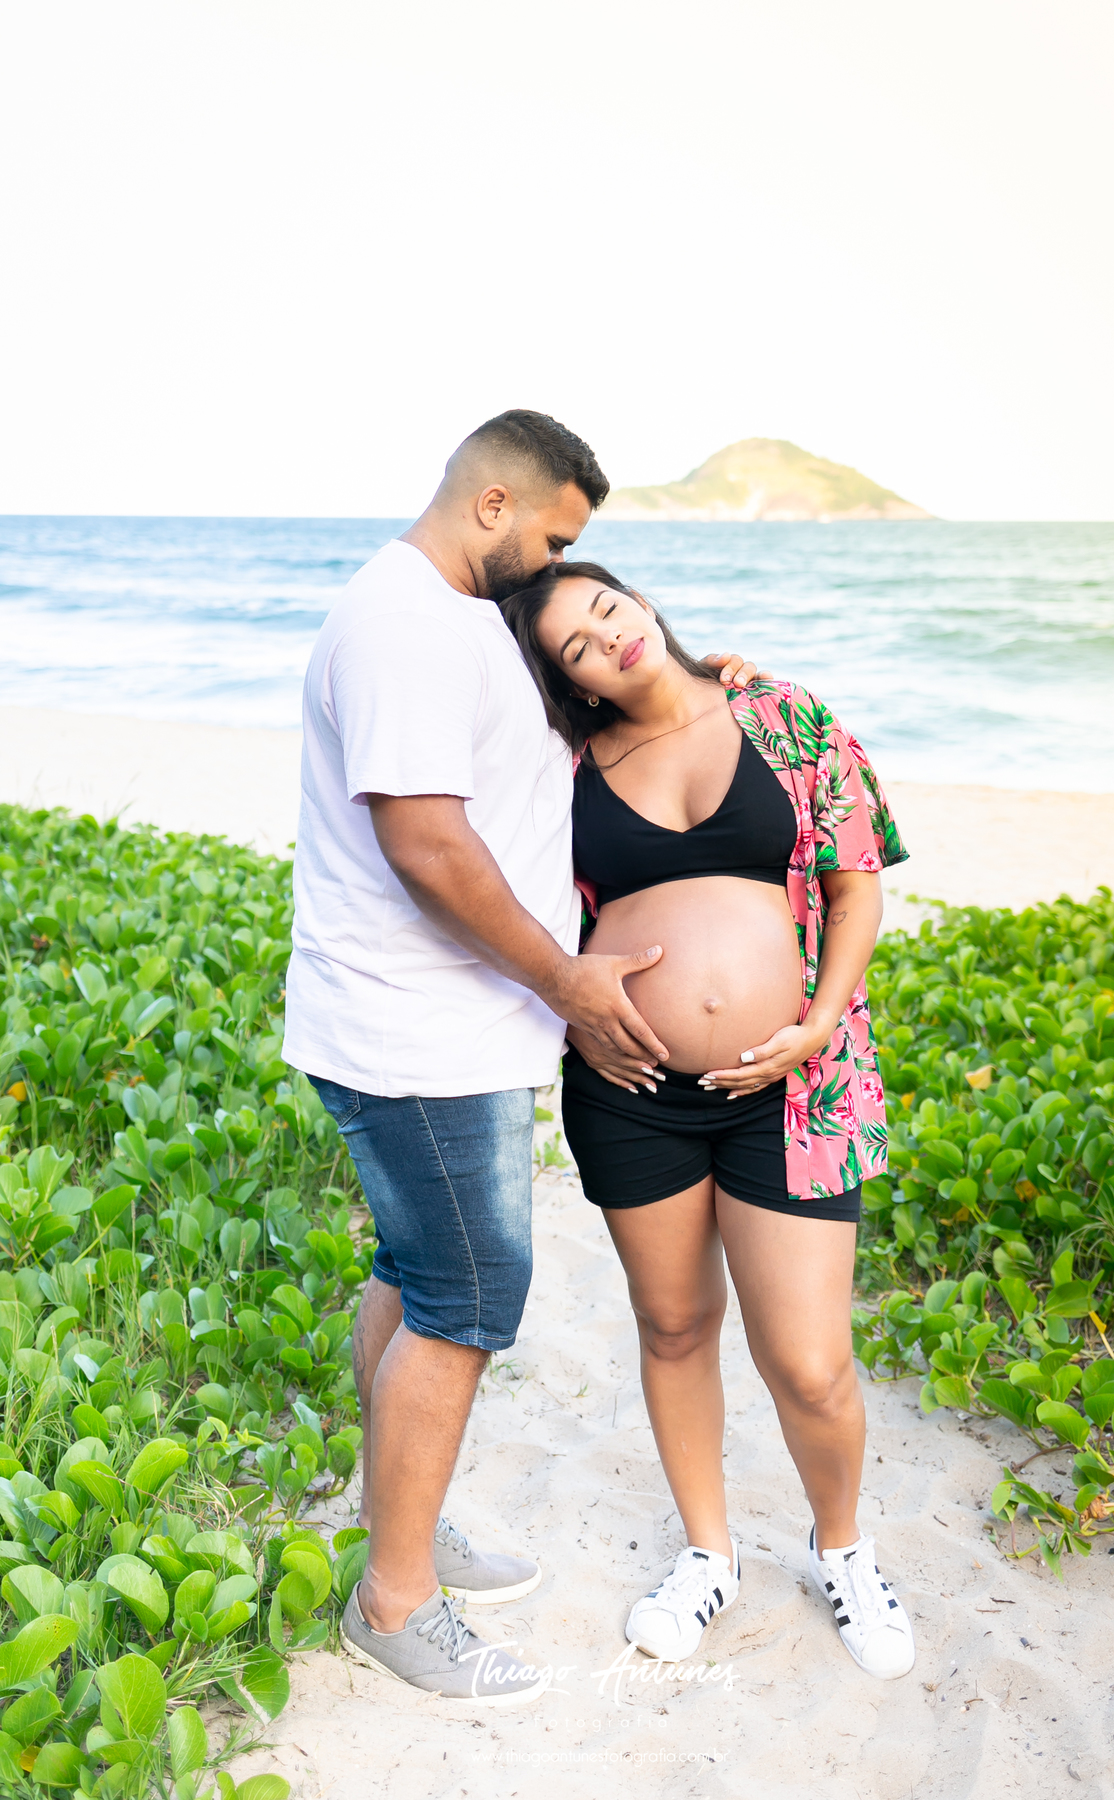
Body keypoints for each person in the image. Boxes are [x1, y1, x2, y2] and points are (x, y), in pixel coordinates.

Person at [281, 412, 760, 1704]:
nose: (553, 567)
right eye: (551, 539)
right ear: (493, 505)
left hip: (446, 1030)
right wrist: (565, 980)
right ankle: (395, 1602)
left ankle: (402, 1520)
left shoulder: (456, 620)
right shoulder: (403, 625)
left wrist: (693, 685)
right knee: (468, 1297)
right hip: (415, 1039)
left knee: (412, 1270)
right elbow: (426, 845)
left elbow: (543, 750)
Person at [501, 559, 916, 1681]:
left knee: (811, 1361)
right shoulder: (560, 768)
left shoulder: (783, 714)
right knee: (675, 1325)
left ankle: (845, 1551)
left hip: (794, 1088)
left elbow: (856, 883)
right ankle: (708, 1554)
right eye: (577, 648)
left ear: (640, 601)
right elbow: (511, 906)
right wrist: (573, 1003)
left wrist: (816, 1023)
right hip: (632, 1096)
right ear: (571, 685)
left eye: (607, 609)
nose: (607, 639)